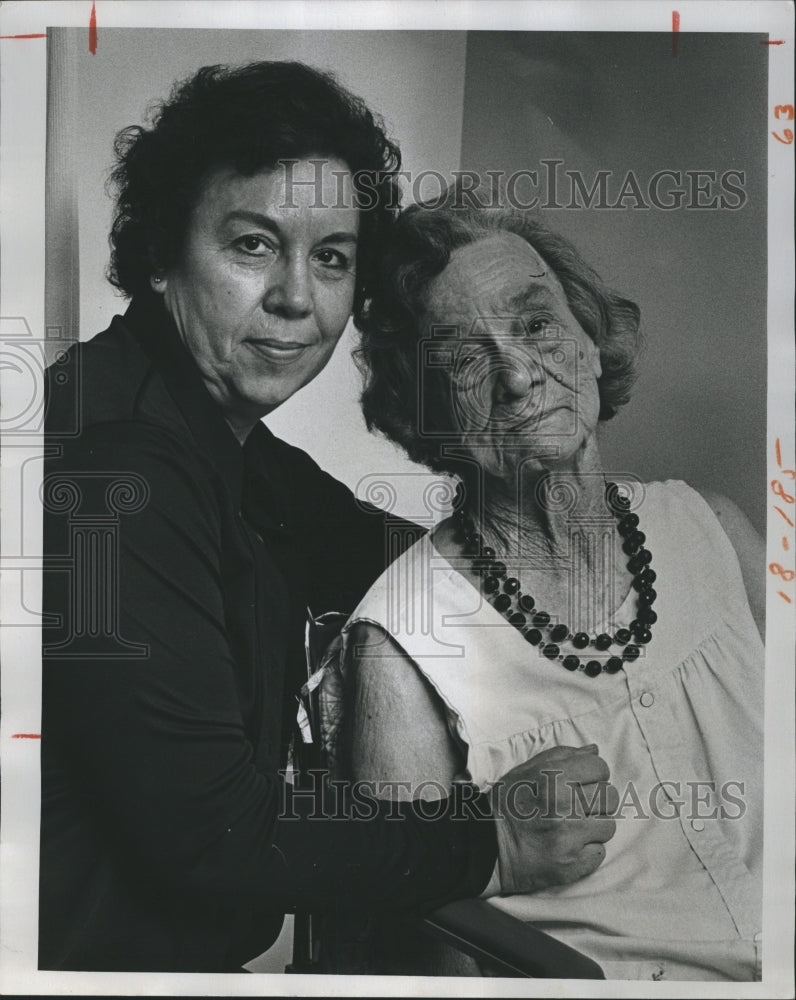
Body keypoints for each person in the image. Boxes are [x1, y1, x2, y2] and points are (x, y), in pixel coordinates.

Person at [39, 62, 617, 973]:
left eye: (333, 258)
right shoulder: (120, 469)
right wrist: (493, 843)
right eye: (253, 245)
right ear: (158, 254)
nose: (298, 300)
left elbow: (390, 552)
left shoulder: (211, 437)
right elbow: (214, 837)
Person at [333, 201, 765, 980]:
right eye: (463, 359)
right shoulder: (400, 647)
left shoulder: (716, 533)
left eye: (536, 325)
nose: (519, 373)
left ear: (592, 344)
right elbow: (421, 948)